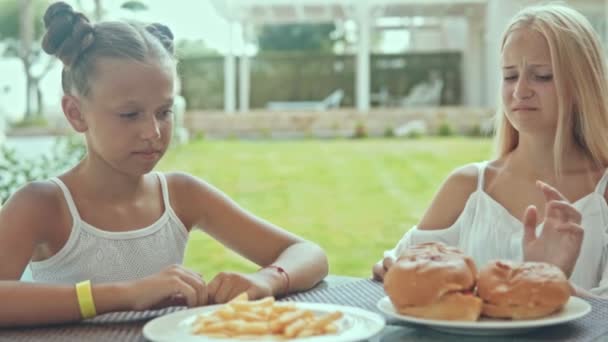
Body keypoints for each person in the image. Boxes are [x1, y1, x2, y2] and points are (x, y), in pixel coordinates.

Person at [0, 2, 327, 327]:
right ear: (75, 113)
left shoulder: (181, 195)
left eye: (164, 112)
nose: (152, 132)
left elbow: (308, 253)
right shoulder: (42, 205)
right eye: (130, 115)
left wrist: (269, 279)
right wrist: (125, 294)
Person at [373, 3, 608, 297]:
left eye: (543, 75)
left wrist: (550, 281)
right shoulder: (468, 187)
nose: (520, 90)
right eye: (510, 76)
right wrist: (390, 268)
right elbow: (399, 270)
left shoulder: (602, 192)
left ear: (583, 83)